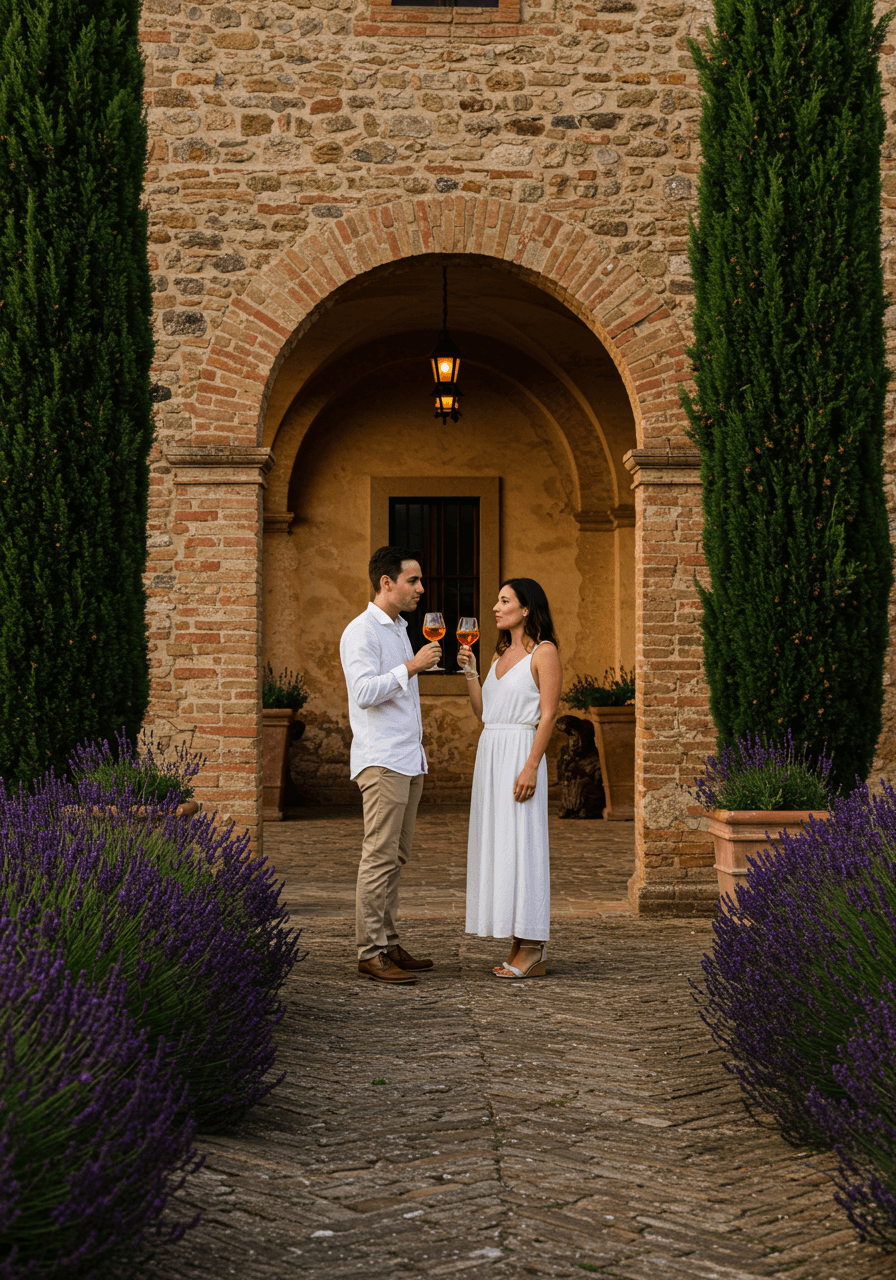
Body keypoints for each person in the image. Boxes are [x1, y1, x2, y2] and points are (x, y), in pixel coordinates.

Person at [339, 546, 444, 984]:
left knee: (395, 856)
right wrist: (413, 665)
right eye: (413, 581)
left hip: (406, 758)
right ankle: (370, 952)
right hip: (381, 760)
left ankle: (387, 941)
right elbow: (364, 692)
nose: (421, 588)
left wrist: (414, 663)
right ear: (387, 583)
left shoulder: (400, 628)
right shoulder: (361, 632)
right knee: (378, 856)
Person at [458, 578, 562, 979]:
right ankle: (517, 942)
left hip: (521, 751)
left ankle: (533, 946)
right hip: (492, 753)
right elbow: (484, 713)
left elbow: (548, 714)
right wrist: (471, 673)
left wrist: (531, 765)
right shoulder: (502, 653)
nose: (496, 608)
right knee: (502, 845)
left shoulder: (544, 652)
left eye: (505, 601)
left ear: (526, 609)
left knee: (525, 845)